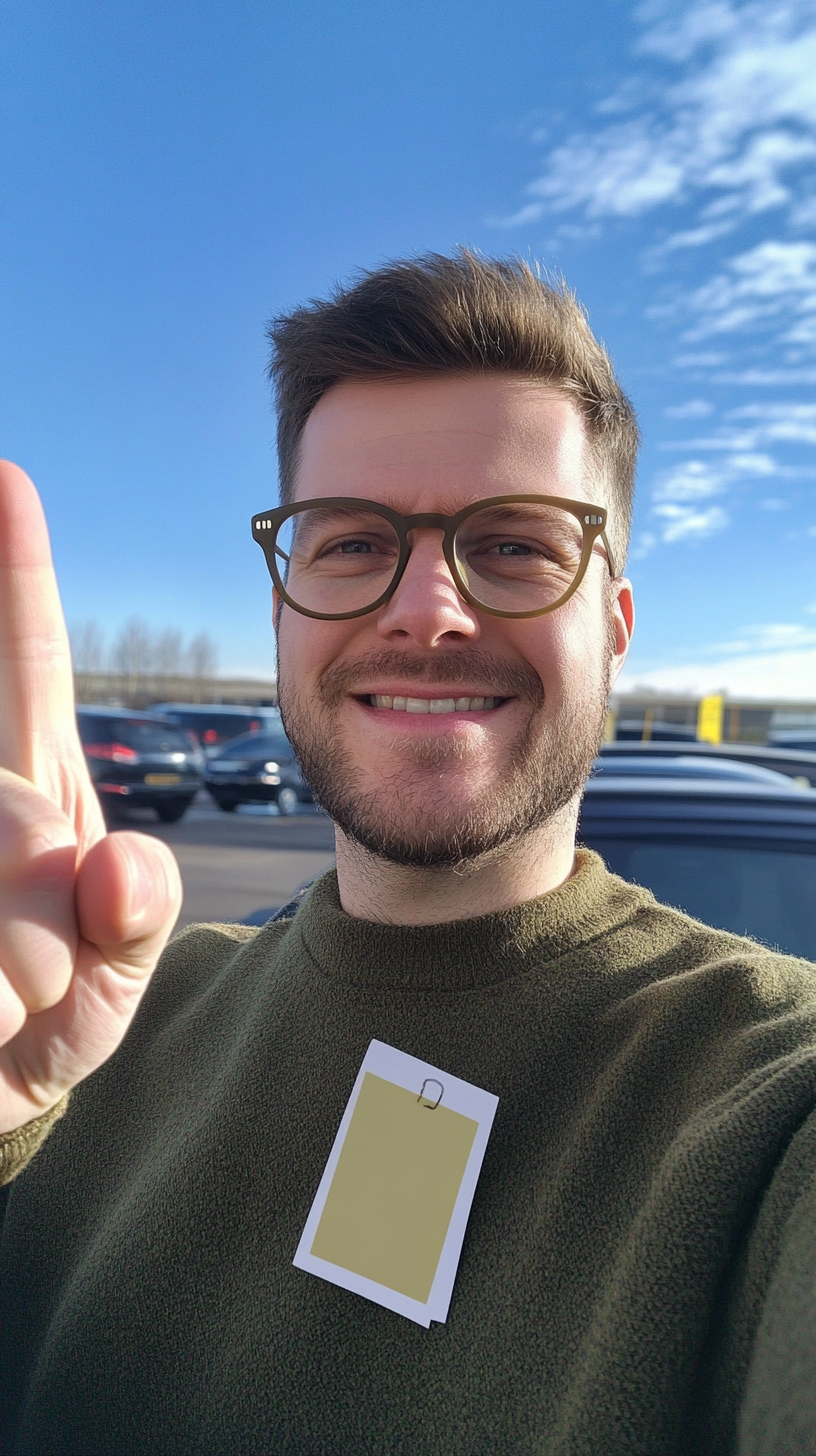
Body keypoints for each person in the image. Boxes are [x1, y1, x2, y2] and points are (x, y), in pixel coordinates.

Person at [0, 251, 814, 1455]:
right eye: (349, 543)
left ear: (617, 623)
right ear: (283, 614)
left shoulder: (767, 1104)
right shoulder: (92, 1035)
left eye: (518, 545)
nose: (424, 605)